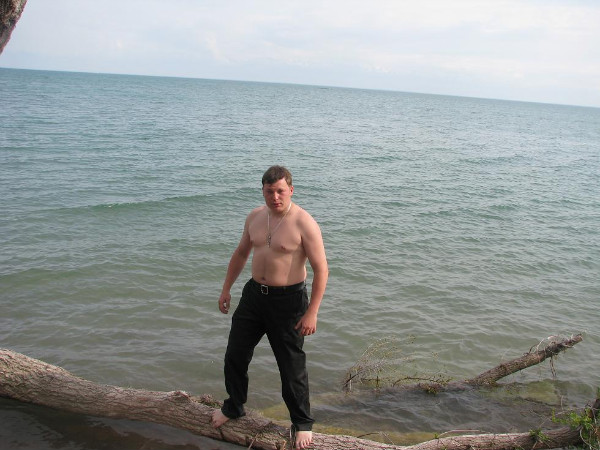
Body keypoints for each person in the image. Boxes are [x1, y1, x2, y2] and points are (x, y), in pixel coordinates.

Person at [211, 165, 328, 450]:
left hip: (288, 302)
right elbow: (241, 253)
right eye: (269, 191)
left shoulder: (304, 222)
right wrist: (226, 288)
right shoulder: (255, 216)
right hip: (254, 296)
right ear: (262, 191)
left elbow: (321, 269)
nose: (275, 197)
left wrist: (312, 312)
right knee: (235, 354)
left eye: (280, 191)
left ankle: (302, 422)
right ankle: (234, 406)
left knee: (291, 366)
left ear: (291, 190)